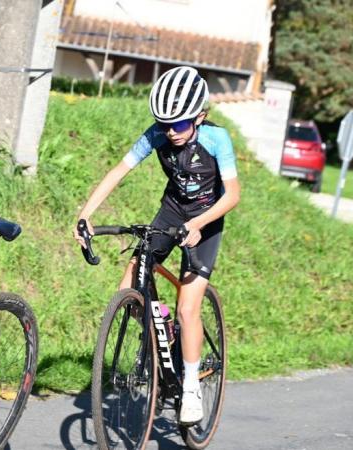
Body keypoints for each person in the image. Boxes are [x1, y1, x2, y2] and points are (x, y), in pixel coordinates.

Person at [73, 66, 240, 424]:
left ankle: (191, 385)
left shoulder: (216, 139)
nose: (171, 131)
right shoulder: (158, 135)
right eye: (164, 124)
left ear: (200, 116)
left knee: (188, 308)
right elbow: (119, 171)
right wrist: (86, 213)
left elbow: (233, 195)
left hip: (206, 220)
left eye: (179, 124)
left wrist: (197, 224)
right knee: (129, 283)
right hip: (171, 211)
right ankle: (159, 328)